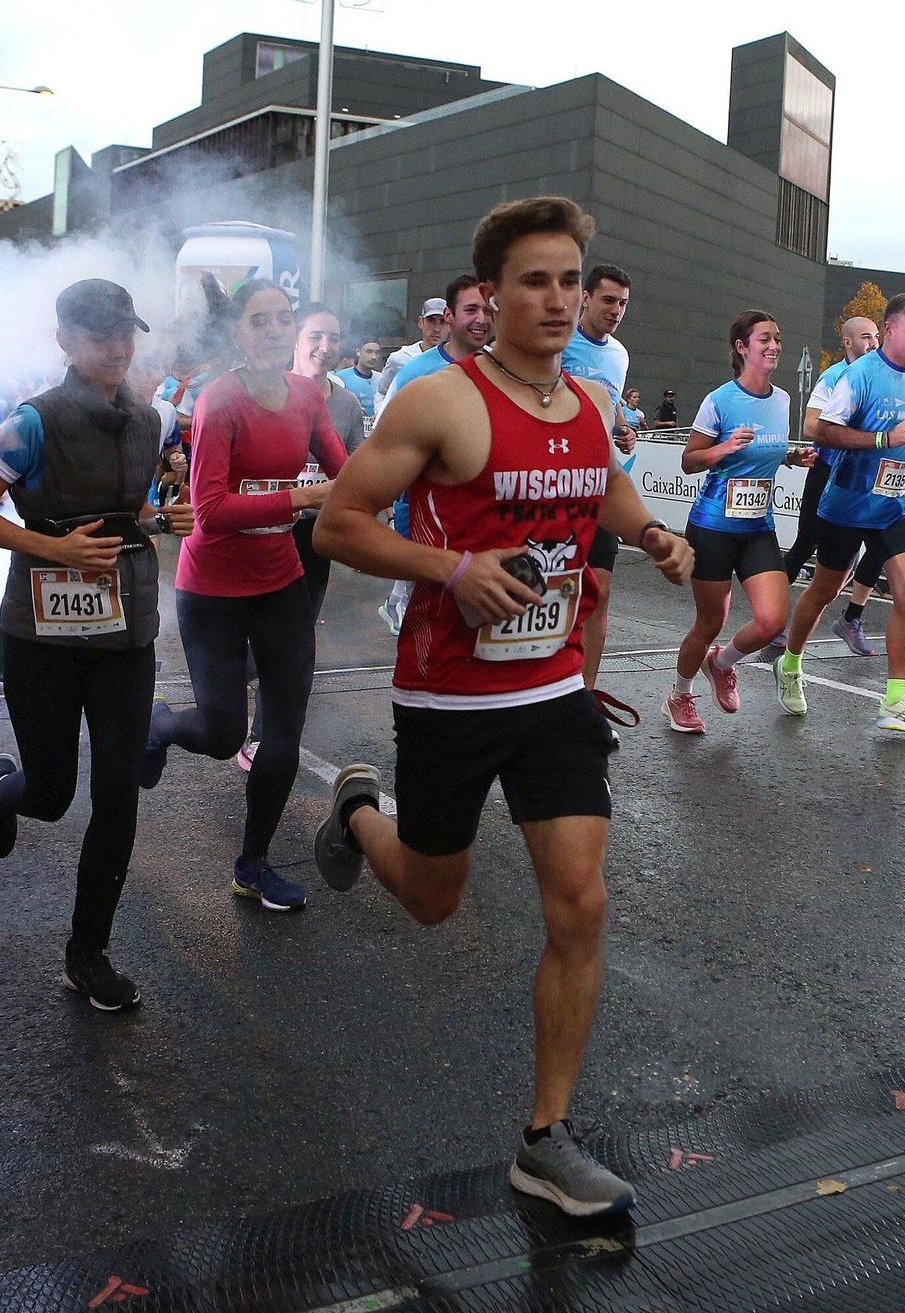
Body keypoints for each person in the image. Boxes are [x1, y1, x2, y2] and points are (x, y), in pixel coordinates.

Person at [310, 195, 694, 1217]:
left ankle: (545, 1137)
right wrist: (451, 567)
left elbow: (604, 483)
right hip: (448, 693)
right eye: (536, 281)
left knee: (582, 902)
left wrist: (652, 533)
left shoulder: (589, 402)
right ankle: (358, 809)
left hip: (553, 688)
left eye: (570, 279)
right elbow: (339, 523)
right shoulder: (437, 401)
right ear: (490, 294)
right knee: (432, 899)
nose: (558, 299)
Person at [0, 279, 193, 1011]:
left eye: (124, 334)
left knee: (117, 791)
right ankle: (4, 790)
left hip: (125, 632)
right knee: (53, 794)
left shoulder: (150, 418)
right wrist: (53, 549)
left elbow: (127, 508)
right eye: (98, 335)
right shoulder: (32, 421)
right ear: (65, 340)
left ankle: (88, 953)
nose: (116, 348)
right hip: (44, 636)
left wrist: (160, 520)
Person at [137, 279, 347, 913]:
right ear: (237, 333)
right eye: (260, 321)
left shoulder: (306, 396)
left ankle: (253, 865)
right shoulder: (219, 402)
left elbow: (345, 472)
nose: (276, 330)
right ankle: (160, 725)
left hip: (281, 580)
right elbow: (211, 511)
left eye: (283, 318)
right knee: (223, 733)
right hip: (213, 588)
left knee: (282, 733)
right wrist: (301, 497)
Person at [773, 293, 905, 733]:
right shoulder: (859, 375)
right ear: (890, 329)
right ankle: (790, 662)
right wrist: (882, 440)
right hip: (849, 502)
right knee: (825, 589)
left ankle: (896, 701)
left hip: (896, 501)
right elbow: (824, 431)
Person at [664, 310, 814, 733]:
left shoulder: (782, 400)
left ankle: (722, 662)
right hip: (714, 527)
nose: (774, 346)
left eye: (777, 338)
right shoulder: (719, 400)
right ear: (742, 347)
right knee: (710, 622)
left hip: (758, 527)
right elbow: (690, 461)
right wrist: (723, 448)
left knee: (772, 621)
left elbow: (766, 451)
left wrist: (790, 457)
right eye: (764, 339)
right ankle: (679, 695)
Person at [234, 302, 366, 769]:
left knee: (294, 639)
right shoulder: (260, 392)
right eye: (315, 336)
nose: (325, 347)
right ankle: (230, 677)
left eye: (333, 338)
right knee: (260, 636)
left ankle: (261, 737)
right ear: (294, 340)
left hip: (313, 536)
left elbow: (353, 469)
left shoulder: (346, 404)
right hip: (260, 532)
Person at [378, 276, 495, 637]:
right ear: (449, 316)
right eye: (470, 309)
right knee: (428, 620)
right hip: (423, 515)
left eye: (487, 310)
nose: (481, 319)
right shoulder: (415, 372)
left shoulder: (502, 370)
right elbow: (383, 444)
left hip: (481, 517)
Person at [770, 315, 887, 659]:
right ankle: (772, 618)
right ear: (848, 342)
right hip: (829, 469)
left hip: (870, 474)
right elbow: (811, 425)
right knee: (806, 542)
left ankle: (852, 618)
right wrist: (855, 432)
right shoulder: (835, 376)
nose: (874, 344)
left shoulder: (885, 375)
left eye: (876, 337)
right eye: (866, 337)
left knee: (880, 545)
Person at [560, 264, 641, 732]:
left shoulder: (620, 355)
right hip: (552, 485)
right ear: (586, 298)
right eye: (608, 300)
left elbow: (609, 409)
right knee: (551, 591)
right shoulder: (560, 341)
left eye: (623, 303)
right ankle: (539, 692)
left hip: (599, 485)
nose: (616, 311)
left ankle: (584, 702)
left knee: (600, 591)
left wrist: (622, 431)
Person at [374, 297, 450, 419]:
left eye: (442, 322)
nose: (437, 329)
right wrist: (381, 416)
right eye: (431, 321)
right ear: (421, 322)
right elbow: (382, 391)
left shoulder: (456, 362)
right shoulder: (400, 358)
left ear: (450, 325)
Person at [334, 337, 382, 417]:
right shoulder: (340, 378)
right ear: (358, 352)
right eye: (369, 352)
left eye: (377, 353)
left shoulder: (382, 379)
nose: (374, 357)